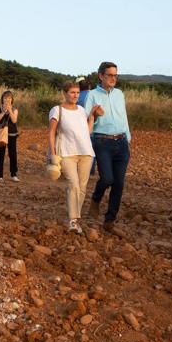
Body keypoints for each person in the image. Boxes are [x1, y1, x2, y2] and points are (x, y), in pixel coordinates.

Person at [84, 61, 131, 235]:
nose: (113, 78)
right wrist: (94, 114)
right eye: (110, 75)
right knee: (107, 179)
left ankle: (110, 220)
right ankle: (96, 198)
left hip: (121, 142)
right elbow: (86, 120)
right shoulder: (92, 95)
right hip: (102, 141)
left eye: (115, 75)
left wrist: (128, 138)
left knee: (119, 184)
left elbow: (123, 116)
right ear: (101, 76)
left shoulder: (119, 94)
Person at [48, 81, 99, 234]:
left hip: (86, 152)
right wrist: (53, 153)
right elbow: (51, 132)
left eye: (77, 93)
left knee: (82, 188)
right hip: (66, 153)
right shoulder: (57, 110)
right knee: (73, 184)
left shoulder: (82, 110)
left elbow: (87, 132)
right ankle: (73, 220)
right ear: (64, 93)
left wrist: (92, 118)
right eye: (72, 92)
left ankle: (76, 221)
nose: (75, 95)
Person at [0, 91, 20, 181]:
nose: (7, 100)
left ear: (12, 100)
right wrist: (4, 112)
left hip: (12, 134)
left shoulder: (15, 109)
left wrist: (9, 110)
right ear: (2, 99)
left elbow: (14, 120)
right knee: (0, 154)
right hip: (1, 134)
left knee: (13, 154)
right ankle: (0, 176)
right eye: (5, 98)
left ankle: (13, 175)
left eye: (9, 98)